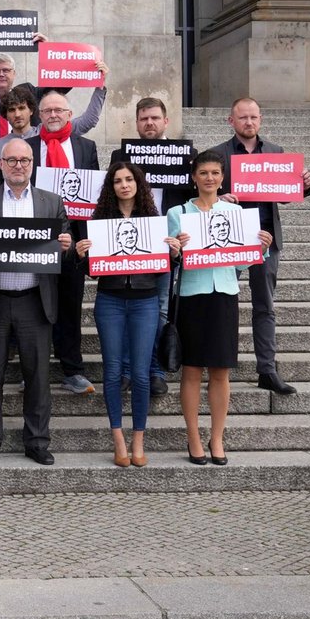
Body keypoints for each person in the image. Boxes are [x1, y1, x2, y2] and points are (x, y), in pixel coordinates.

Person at [0, 139, 72, 466]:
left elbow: (66, 241)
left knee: (37, 377)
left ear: (32, 163)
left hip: (35, 301)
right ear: (2, 164)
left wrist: (66, 243)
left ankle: (36, 441)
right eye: (12, 160)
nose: (18, 165)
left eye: (24, 160)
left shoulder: (51, 202)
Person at [168, 150, 273, 465]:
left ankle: (217, 437)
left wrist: (260, 248)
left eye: (215, 173)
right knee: (191, 370)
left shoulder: (234, 213)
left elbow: (241, 260)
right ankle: (193, 437)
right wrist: (176, 250)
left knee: (220, 370)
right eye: (203, 173)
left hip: (224, 293)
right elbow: (174, 259)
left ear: (222, 177)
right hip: (191, 295)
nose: (209, 178)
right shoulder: (178, 213)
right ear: (194, 177)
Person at [74, 162, 181, 467]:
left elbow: (163, 269)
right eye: (118, 180)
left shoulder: (153, 220)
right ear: (111, 186)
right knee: (111, 371)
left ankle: (138, 440)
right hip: (109, 301)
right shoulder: (100, 219)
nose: (124, 185)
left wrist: (174, 255)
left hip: (145, 302)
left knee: (140, 373)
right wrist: (82, 256)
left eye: (129, 179)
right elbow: (92, 271)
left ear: (138, 184)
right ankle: (118, 438)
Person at [208, 97, 310, 395]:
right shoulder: (218, 154)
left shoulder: (276, 153)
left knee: (265, 306)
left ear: (261, 119)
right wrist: (219, 199)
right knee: (222, 303)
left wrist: (303, 184)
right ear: (232, 121)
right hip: (229, 239)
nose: (249, 122)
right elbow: (205, 193)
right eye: (243, 118)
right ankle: (218, 366)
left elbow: (284, 195)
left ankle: (267, 369)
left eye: (253, 117)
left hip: (265, 240)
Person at [108, 97, 196, 398]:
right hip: (127, 242)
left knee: (158, 309)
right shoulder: (123, 154)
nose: (149, 123)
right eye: (144, 118)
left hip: (166, 243)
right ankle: (128, 370)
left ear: (166, 121)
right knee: (127, 308)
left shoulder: (185, 155)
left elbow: (198, 194)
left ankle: (155, 370)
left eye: (155, 118)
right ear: (136, 122)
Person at [27, 91, 100, 395]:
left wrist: (89, 239)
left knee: (70, 304)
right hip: (36, 238)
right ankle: (34, 371)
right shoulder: (28, 148)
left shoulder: (86, 147)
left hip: (75, 240)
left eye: (59, 110)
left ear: (70, 115)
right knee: (36, 307)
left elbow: (95, 193)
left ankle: (72, 369)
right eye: (47, 111)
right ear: (39, 116)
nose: (53, 115)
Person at [0, 44, 108, 143]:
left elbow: (57, 82)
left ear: (14, 73)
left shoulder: (27, 92)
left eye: (6, 70)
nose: (1, 74)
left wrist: (48, 50)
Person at [0, 86, 40, 154]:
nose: (17, 114)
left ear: (31, 110)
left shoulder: (44, 134)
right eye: (12, 110)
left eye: (21, 108)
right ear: (5, 114)